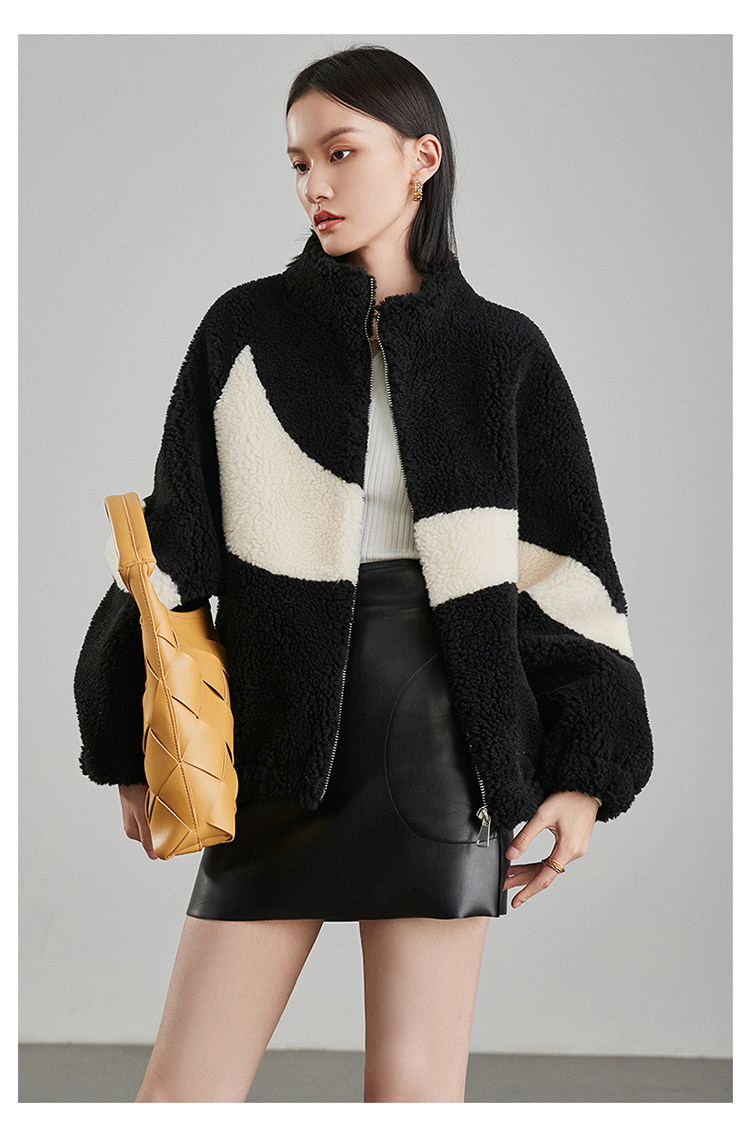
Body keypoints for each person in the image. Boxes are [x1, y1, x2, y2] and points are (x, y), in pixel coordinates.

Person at [73, 44, 653, 1103]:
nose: (316, 185)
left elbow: (567, 572)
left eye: (341, 153)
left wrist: (584, 769)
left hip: (443, 745)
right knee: (180, 1096)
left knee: (414, 1097)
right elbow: (171, 541)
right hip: (275, 743)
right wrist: (128, 731)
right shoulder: (245, 331)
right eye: (299, 162)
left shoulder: (502, 351)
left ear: (422, 157)